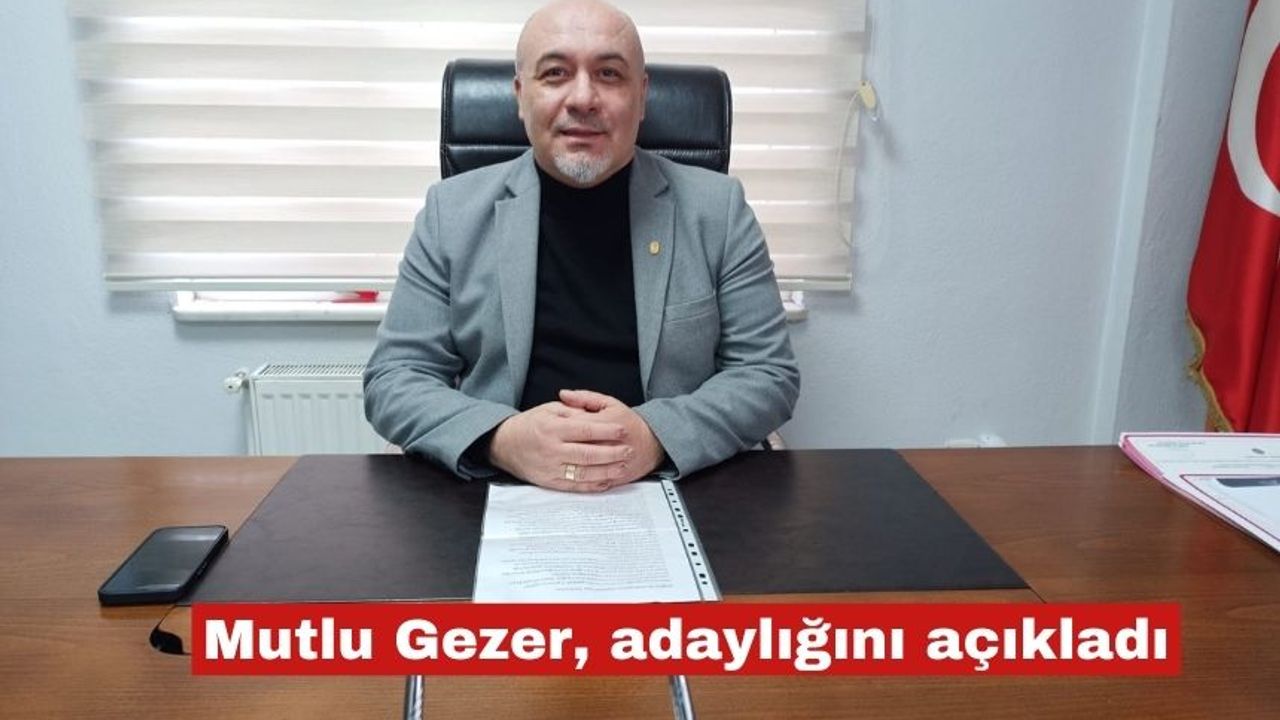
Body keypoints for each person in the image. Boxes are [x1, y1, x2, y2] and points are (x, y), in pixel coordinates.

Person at [364, 0, 799, 492]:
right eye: (555, 73)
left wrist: (655, 436)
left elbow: (767, 373)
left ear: (642, 96)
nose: (583, 98)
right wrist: (503, 439)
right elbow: (395, 379)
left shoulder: (718, 210)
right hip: (500, 483)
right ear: (520, 95)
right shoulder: (451, 212)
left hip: (668, 480)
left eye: (609, 74)